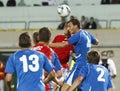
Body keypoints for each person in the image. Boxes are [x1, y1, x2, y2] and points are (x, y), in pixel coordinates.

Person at [49, 18, 99, 91]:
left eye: (70, 26)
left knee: (64, 89)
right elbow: (97, 42)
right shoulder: (86, 33)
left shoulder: (77, 35)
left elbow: (63, 44)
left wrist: (48, 45)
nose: (68, 28)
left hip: (79, 65)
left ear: (76, 26)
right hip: (88, 65)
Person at [52, 23, 74, 90]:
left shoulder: (73, 41)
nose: (66, 29)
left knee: (55, 85)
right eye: (65, 27)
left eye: (68, 27)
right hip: (53, 66)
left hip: (63, 67)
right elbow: (51, 49)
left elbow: (74, 54)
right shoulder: (58, 37)